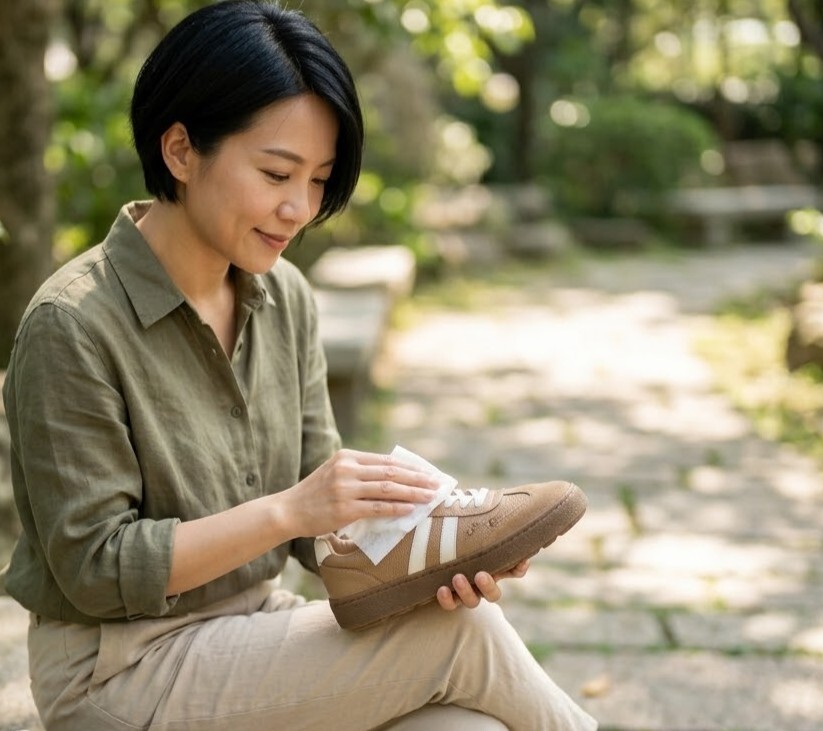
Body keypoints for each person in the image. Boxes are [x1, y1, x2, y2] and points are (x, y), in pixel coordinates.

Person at [1, 1, 598, 729]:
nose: (299, 208)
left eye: (317, 179)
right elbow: (95, 567)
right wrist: (289, 508)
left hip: (251, 627)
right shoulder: (72, 324)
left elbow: (325, 532)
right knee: (464, 641)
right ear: (181, 150)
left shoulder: (284, 296)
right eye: (277, 173)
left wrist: (429, 558)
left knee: (464, 721)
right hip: (117, 667)